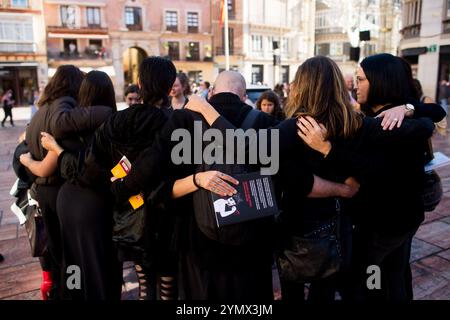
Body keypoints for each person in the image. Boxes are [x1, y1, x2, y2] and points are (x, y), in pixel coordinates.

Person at [296, 54, 439, 301]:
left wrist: (328, 150)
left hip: (381, 224)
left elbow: (376, 169)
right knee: (394, 275)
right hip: (403, 220)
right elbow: (432, 114)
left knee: (369, 281)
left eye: (361, 79)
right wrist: (408, 107)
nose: (354, 84)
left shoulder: (390, 123)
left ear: (380, 81)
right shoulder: (395, 114)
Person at [39, 70, 119, 300]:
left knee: (73, 262)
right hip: (94, 204)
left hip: (67, 201)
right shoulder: (112, 125)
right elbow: (101, 173)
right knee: (100, 265)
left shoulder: (68, 126)